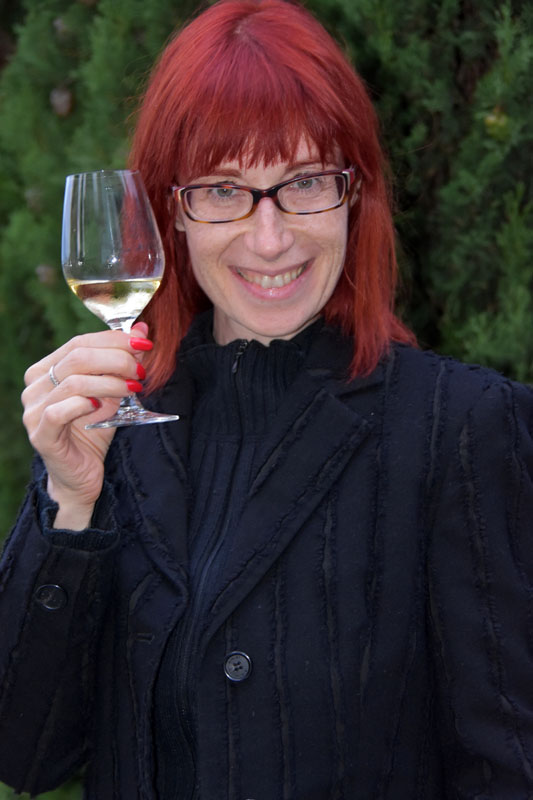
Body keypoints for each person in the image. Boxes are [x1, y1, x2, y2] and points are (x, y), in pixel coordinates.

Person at [1, 0, 532, 798]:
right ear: (170, 211)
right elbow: (24, 753)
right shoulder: (113, 432)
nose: (270, 237)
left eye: (305, 182)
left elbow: (508, 768)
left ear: (354, 192)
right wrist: (68, 506)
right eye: (224, 189)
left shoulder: (460, 427)